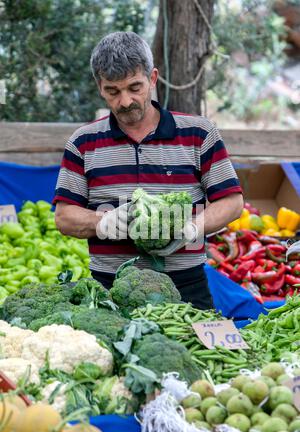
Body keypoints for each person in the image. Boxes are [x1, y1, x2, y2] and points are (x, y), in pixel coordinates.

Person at [54, 31, 244, 309]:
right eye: (113, 91)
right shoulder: (83, 142)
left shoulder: (198, 133)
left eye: (135, 87)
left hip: (186, 285)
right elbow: (64, 216)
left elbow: (232, 202)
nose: (125, 101)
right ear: (99, 87)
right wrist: (102, 222)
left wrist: (193, 229)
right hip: (109, 288)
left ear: (152, 79)